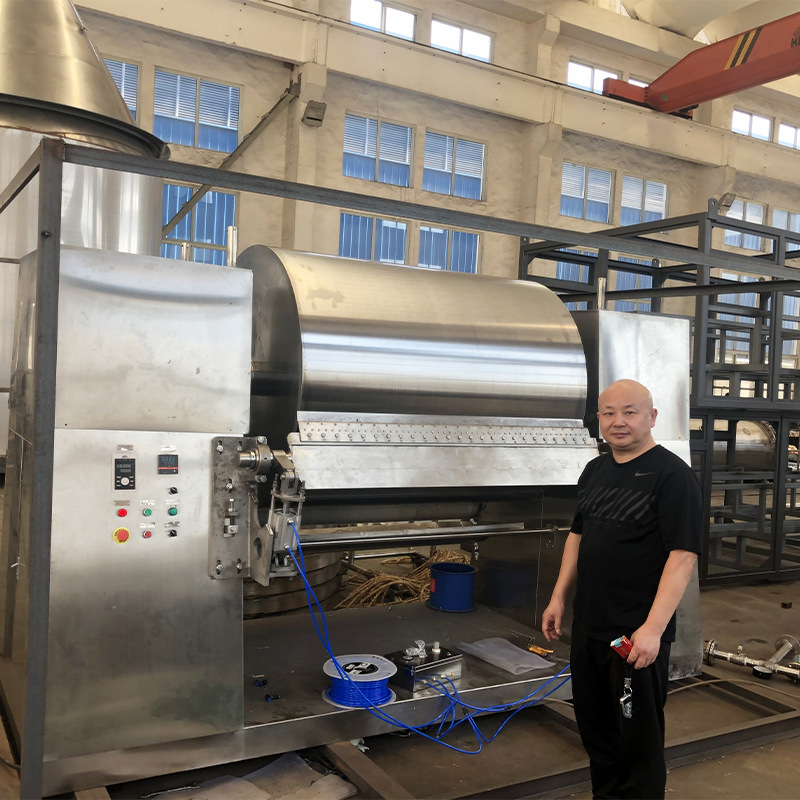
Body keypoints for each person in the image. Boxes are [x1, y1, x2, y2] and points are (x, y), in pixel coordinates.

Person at [541, 379, 702, 800]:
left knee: (637, 741)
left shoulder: (673, 477)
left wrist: (651, 630)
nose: (618, 422)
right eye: (608, 412)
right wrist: (559, 597)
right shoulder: (595, 469)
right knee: (598, 732)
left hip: (633, 636)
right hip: (592, 627)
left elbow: (682, 557)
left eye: (630, 412)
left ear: (651, 417)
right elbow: (577, 537)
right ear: (598, 419)